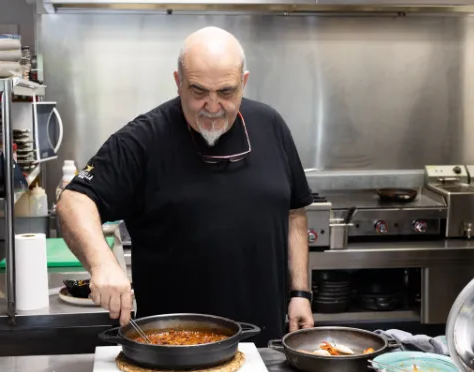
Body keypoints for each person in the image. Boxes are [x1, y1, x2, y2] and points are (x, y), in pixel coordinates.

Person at [57, 26, 314, 346]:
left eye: (226, 92)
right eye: (198, 91)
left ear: (243, 82)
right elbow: (74, 200)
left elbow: (294, 213)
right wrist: (102, 263)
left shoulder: (270, 125)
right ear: (178, 82)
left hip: (264, 345)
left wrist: (300, 293)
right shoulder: (143, 139)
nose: (212, 105)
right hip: (173, 350)